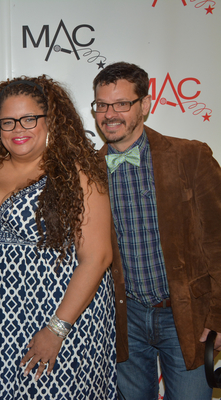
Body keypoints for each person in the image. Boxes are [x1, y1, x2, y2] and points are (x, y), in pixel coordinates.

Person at [0, 76, 116, 399]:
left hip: (60, 313)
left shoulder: (78, 172)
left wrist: (57, 329)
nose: (18, 129)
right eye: (7, 121)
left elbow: (98, 258)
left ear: (51, 120)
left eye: (29, 119)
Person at [92, 61, 221, 400]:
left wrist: (219, 313)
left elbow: (218, 240)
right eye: (102, 105)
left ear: (145, 105)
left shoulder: (190, 156)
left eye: (122, 103)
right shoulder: (88, 171)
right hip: (124, 318)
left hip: (188, 316)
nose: (110, 114)